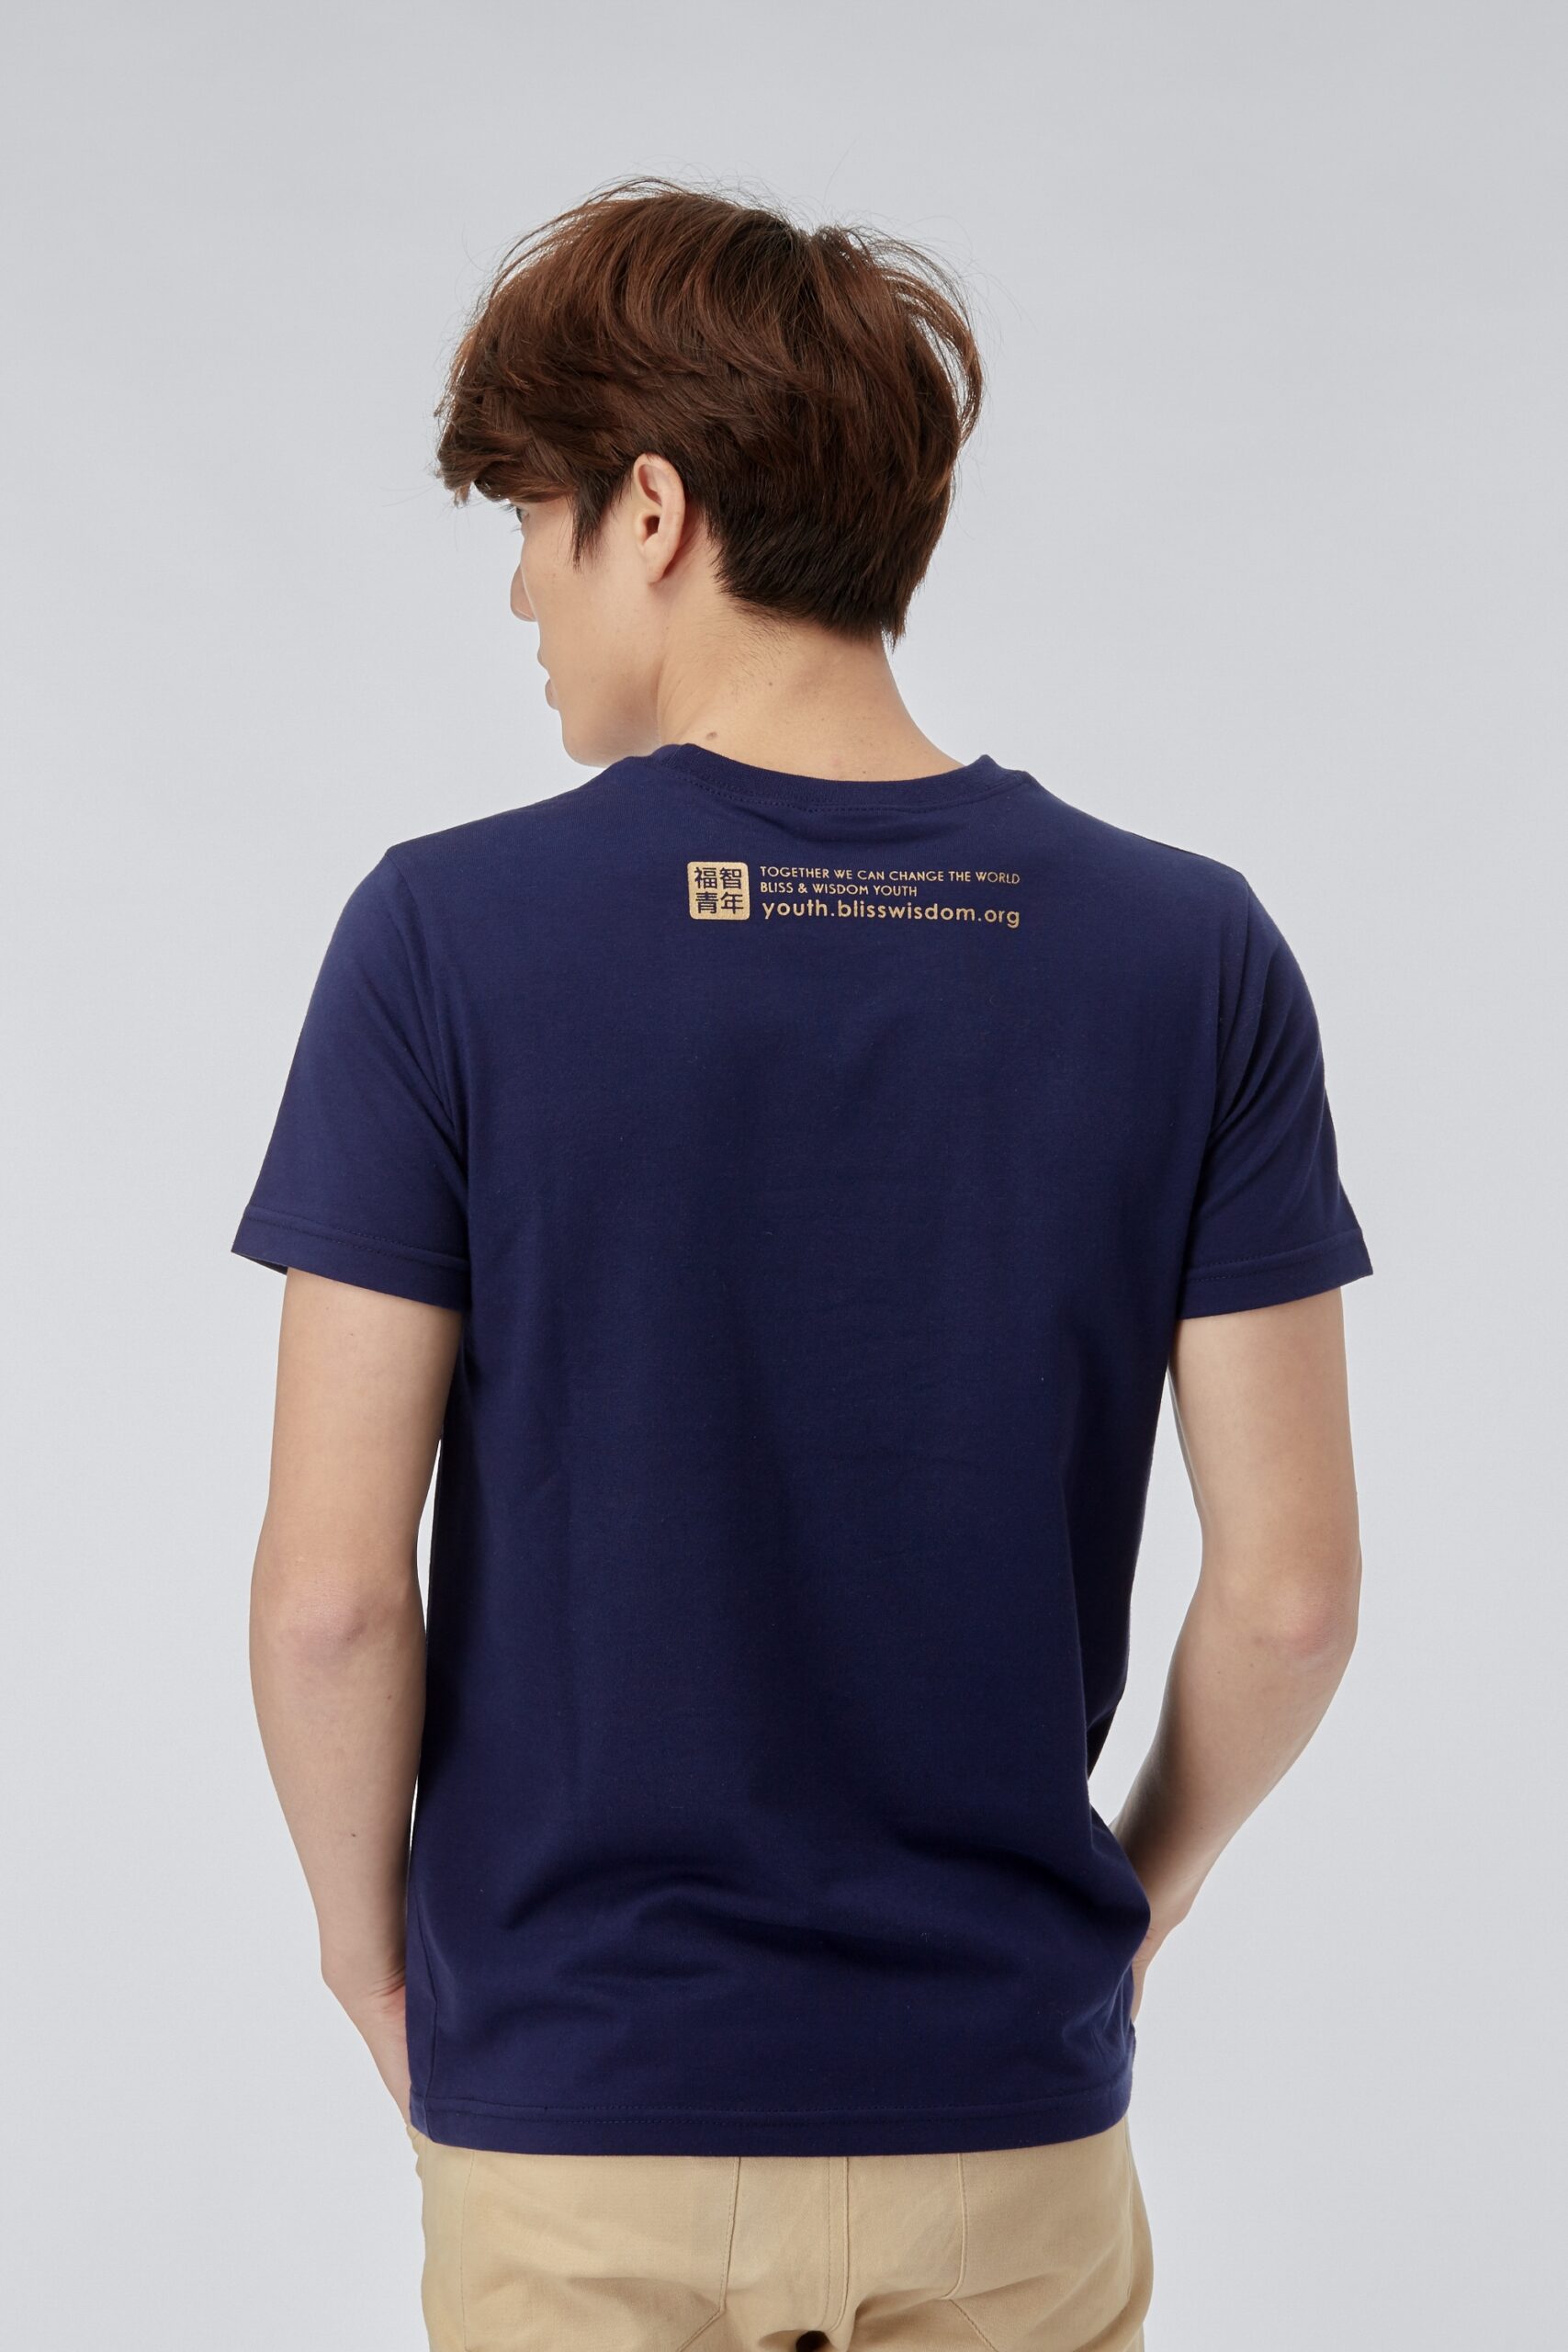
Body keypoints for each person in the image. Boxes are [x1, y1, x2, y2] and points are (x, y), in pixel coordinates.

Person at [233, 179, 1371, 2352]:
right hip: (1003, 2115)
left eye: (534, 514)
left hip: (580, 2106)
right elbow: (1292, 1595)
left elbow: (331, 1597)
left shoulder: (442, 940)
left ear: (652, 512)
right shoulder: (1190, 952)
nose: (518, 584)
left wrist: (367, 1954)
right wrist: (1123, 1910)